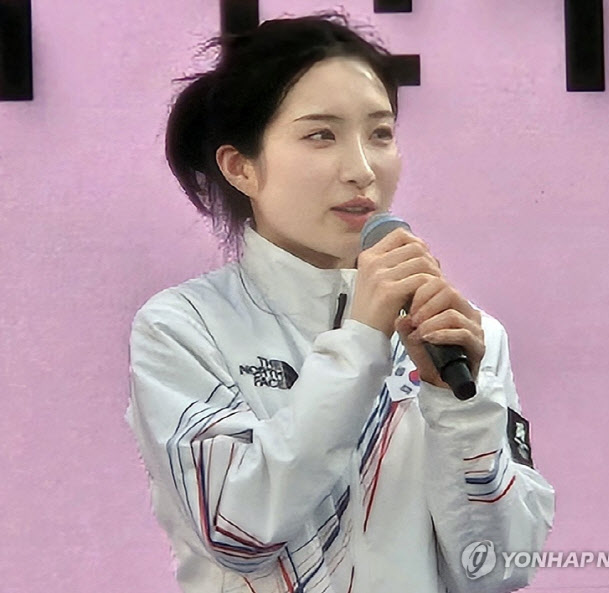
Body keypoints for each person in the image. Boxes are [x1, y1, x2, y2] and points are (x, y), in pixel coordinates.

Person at [125, 10, 555, 593]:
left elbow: (500, 568)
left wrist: (459, 407)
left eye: (380, 134)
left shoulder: (462, 337)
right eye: (320, 135)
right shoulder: (184, 328)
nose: (362, 169)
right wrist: (361, 339)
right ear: (241, 167)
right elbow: (239, 531)